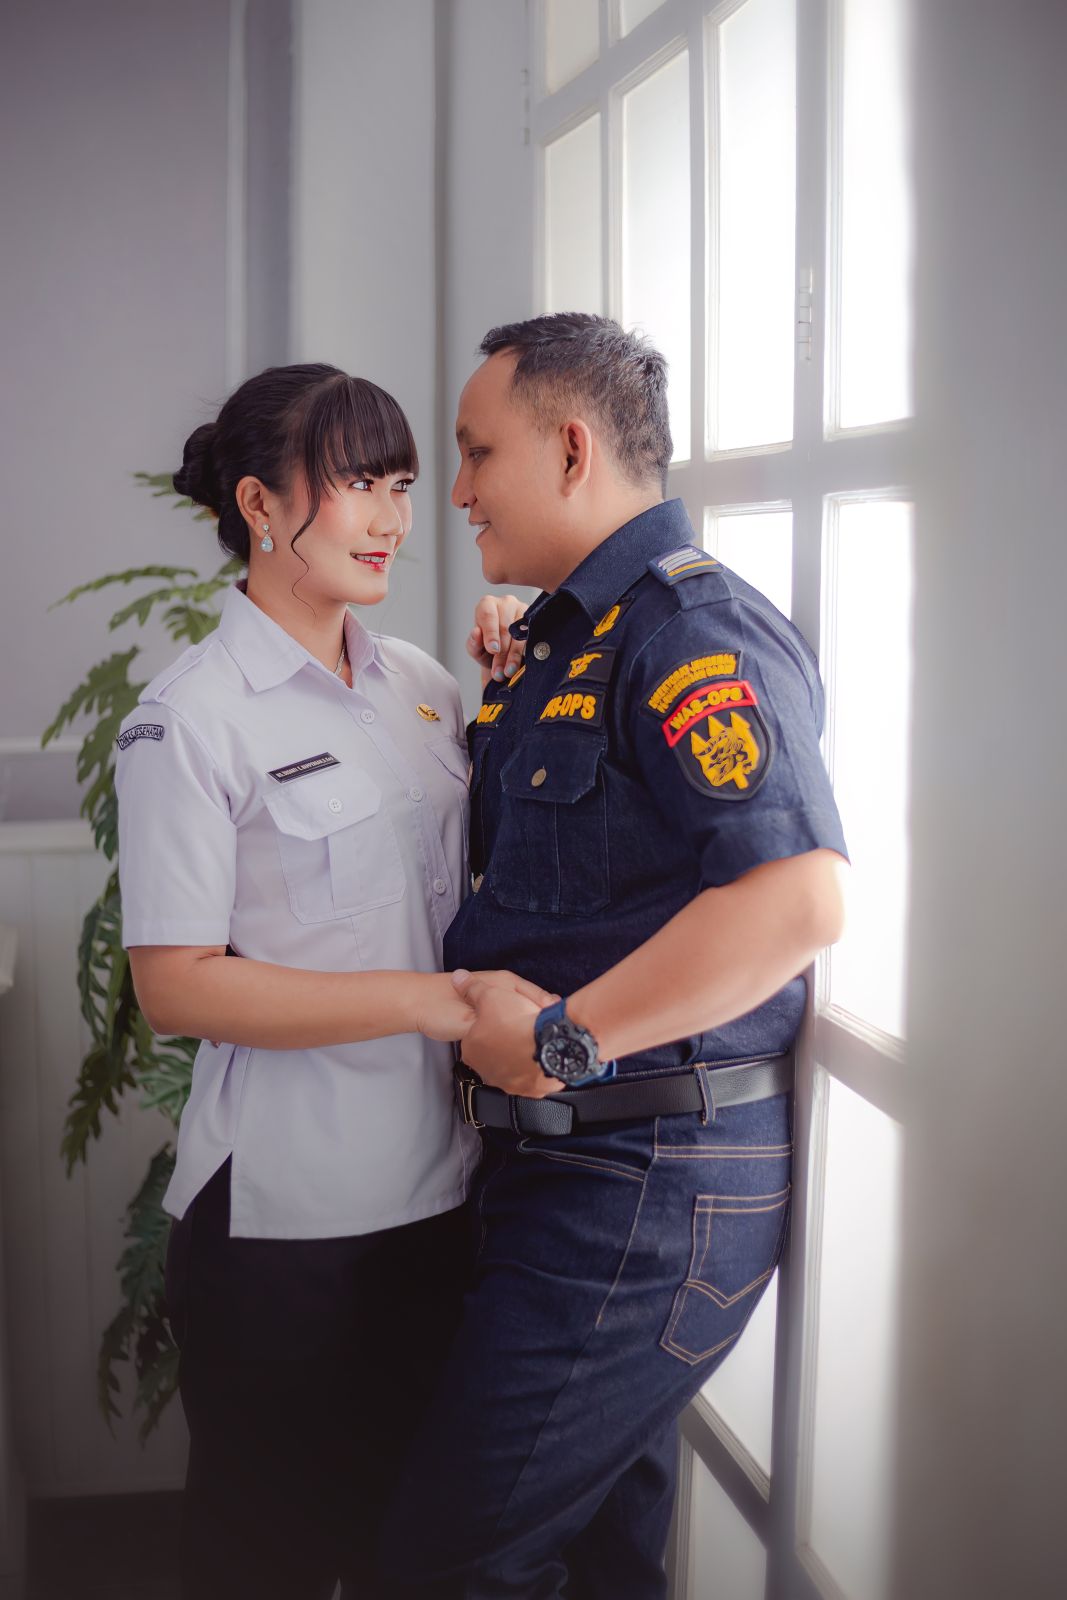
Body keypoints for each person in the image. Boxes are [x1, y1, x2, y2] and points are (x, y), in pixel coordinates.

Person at [379, 314, 850, 1599]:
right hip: (568, 1168)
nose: (457, 490)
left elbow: (796, 899)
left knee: (441, 1563)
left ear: (572, 449)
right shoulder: (573, 635)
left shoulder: (691, 633)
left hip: (638, 1178)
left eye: (477, 452)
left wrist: (559, 1039)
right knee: (594, 1561)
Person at [114, 362, 536, 1600]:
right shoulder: (188, 720)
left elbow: (472, 881)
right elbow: (177, 986)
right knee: (271, 1566)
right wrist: (429, 1002)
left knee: (414, 1553)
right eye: (357, 483)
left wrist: (515, 689)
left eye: (401, 483)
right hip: (284, 1232)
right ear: (258, 503)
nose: (394, 517)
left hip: (440, 1201)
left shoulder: (424, 688)